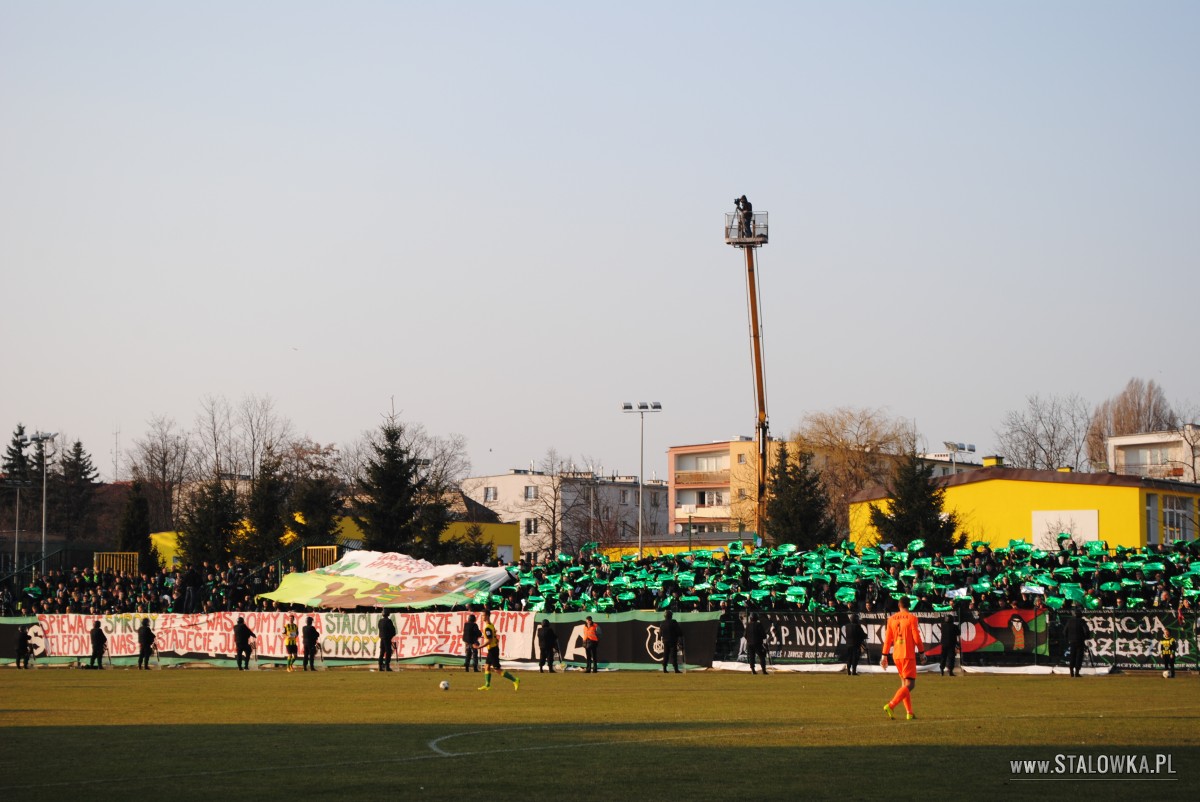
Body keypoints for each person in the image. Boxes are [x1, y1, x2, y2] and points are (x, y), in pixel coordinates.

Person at [881, 597, 924, 720]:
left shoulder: (891, 619)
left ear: (899, 606)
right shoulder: (912, 618)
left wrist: (884, 655)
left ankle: (909, 713)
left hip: (897, 655)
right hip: (907, 654)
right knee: (910, 685)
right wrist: (922, 652)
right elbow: (916, 637)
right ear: (909, 605)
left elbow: (888, 639)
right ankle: (891, 705)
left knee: (904, 685)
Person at [477, 620, 519, 691]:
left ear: (487, 616)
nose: (482, 617)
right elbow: (494, 636)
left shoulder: (488, 628)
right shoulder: (491, 625)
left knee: (497, 670)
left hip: (493, 650)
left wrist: (479, 647)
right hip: (492, 649)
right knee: (487, 666)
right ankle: (487, 685)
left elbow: (489, 641)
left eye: (483, 615)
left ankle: (515, 680)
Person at [1063, 608, 1089, 677]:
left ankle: (1071, 671)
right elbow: (1086, 630)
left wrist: (1068, 639)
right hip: (1080, 640)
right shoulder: (1081, 621)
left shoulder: (1069, 621)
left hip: (1071, 641)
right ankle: (1077, 672)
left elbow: (1064, 631)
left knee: (1072, 656)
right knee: (1079, 656)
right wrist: (1086, 637)